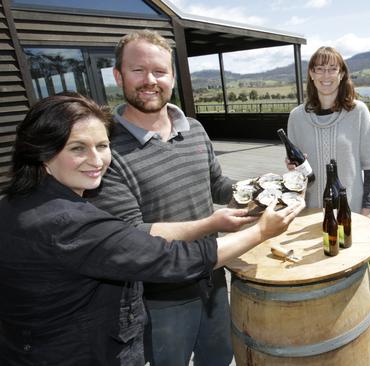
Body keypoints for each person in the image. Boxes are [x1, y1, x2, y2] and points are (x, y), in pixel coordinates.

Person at [0, 93, 303, 365]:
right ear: (43, 152)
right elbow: (163, 255)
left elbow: (216, 184)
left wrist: (266, 185)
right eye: (77, 148)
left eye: (102, 146)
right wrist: (259, 232)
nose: (96, 160)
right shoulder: (65, 222)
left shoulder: (21, 204)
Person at [86, 30, 256, 366]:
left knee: (219, 360)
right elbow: (131, 234)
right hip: (159, 297)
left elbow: (217, 183)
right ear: (118, 76)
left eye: (159, 71)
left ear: (173, 78)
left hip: (213, 280)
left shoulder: (194, 128)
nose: (150, 80)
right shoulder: (106, 150)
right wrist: (212, 223)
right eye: (138, 70)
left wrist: (256, 187)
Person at [287, 46, 370, 216]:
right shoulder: (296, 117)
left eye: (333, 69)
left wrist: (366, 208)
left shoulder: (358, 112)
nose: (326, 75)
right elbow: (298, 171)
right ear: (311, 73)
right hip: (309, 212)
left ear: (341, 74)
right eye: (320, 69)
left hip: (350, 212)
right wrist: (292, 167)